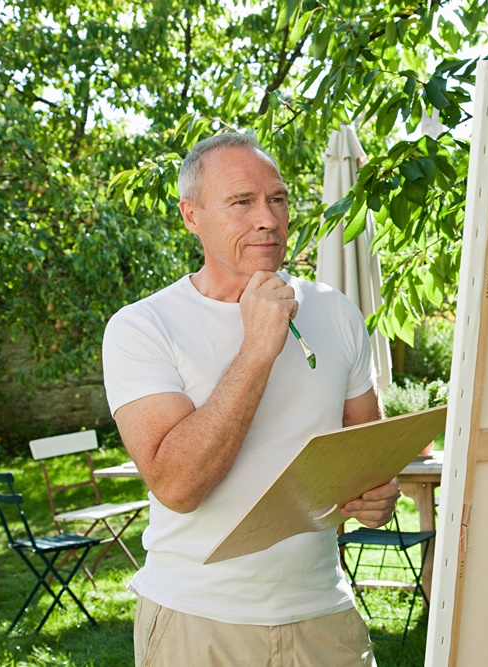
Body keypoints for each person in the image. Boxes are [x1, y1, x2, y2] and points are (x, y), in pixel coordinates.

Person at [102, 132, 399, 666]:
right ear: (192, 216)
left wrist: (376, 494)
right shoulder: (143, 327)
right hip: (199, 621)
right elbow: (177, 484)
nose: (268, 218)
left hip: (324, 615)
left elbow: (366, 449)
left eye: (278, 199)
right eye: (242, 202)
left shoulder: (335, 311)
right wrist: (258, 348)